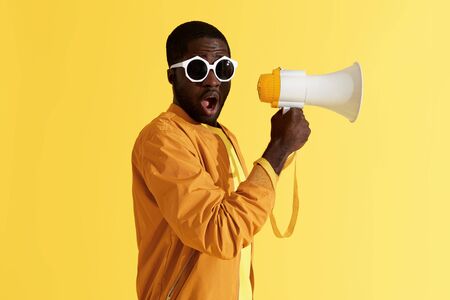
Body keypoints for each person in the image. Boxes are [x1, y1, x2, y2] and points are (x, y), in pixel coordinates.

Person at [131, 21, 311, 300]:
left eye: (223, 68)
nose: (213, 80)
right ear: (172, 77)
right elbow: (221, 233)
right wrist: (278, 148)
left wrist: (282, 149)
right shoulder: (162, 139)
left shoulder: (223, 135)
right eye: (197, 69)